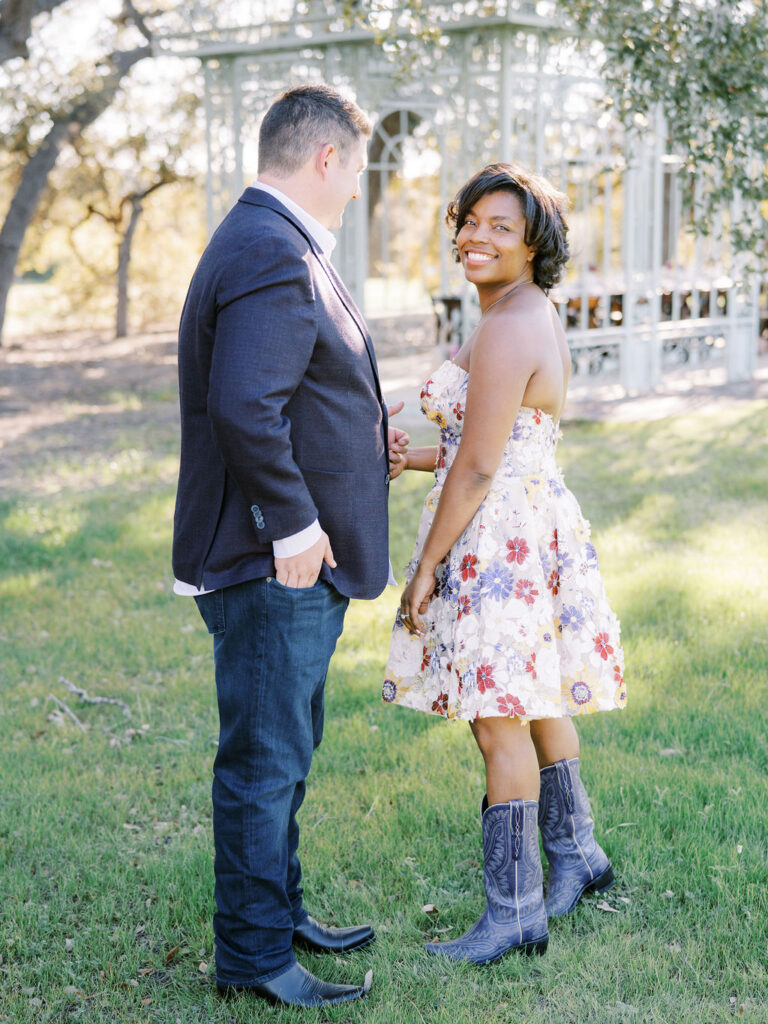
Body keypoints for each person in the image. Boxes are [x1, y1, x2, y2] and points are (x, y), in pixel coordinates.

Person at [172, 84, 407, 1008]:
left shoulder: (268, 238)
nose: (357, 188)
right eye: (356, 168)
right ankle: (255, 957)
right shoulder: (273, 249)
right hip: (274, 559)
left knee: (286, 748)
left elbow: (290, 389)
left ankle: (282, 912)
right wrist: (298, 527)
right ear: (325, 159)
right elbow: (244, 406)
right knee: (265, 763)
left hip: (285, 557)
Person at [383, 163, 626, 965]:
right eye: (470, 220)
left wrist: (425, 568)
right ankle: (579, 852)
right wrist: (410, 453)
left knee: (497, 718)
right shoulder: (506, 312)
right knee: (533, 695)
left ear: (533, 247)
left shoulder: (513, 320)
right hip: (514, 520)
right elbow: (476, 444)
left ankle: (516, 911)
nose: (476, 237)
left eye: (501, 228)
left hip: (501, 540)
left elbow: (483, 466)